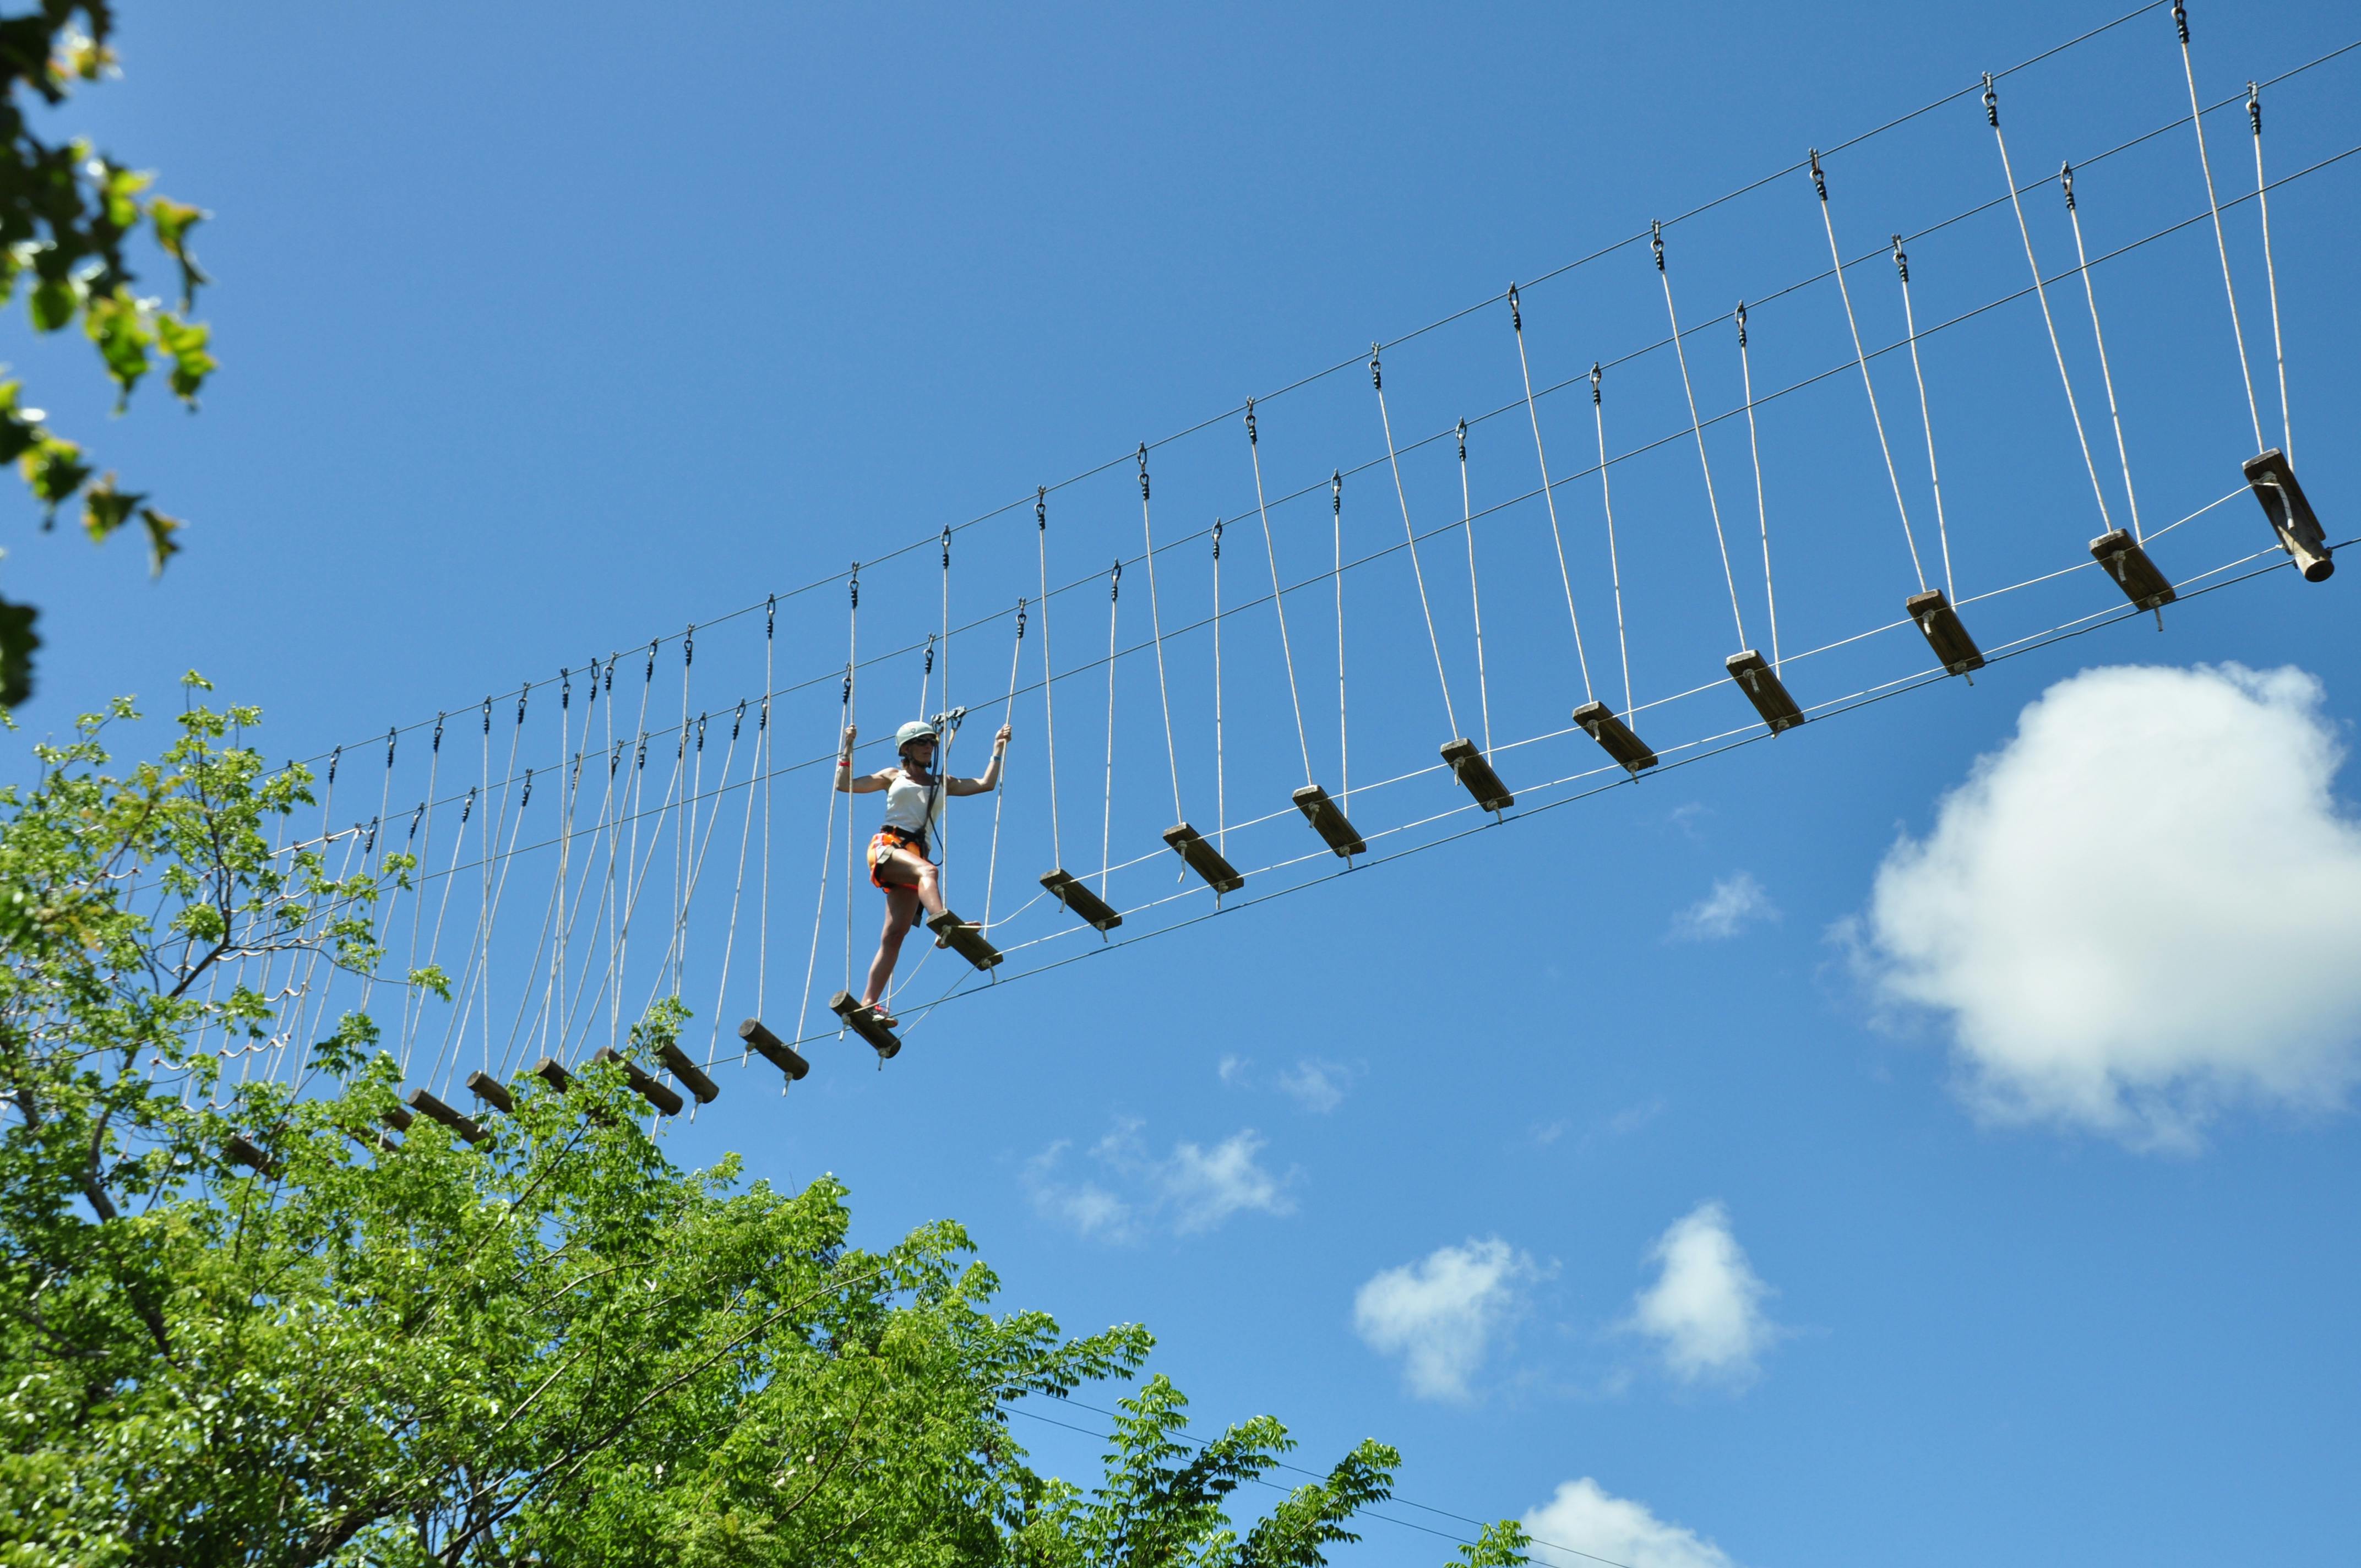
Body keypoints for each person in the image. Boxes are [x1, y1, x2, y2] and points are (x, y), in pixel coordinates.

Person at [836, 715, 1009, 1027]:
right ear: (906, 749)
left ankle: (868, 1005)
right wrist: (847, 748)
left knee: (894, 936)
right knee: (928, 873)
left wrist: (998, 748)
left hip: (914, 858)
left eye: (931, 742)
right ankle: (945, 925)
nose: (929, 747)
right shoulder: (892, 776)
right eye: (922, 743)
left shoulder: (943, 783)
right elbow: (844, 785)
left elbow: (985, 784)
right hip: (889, 848)